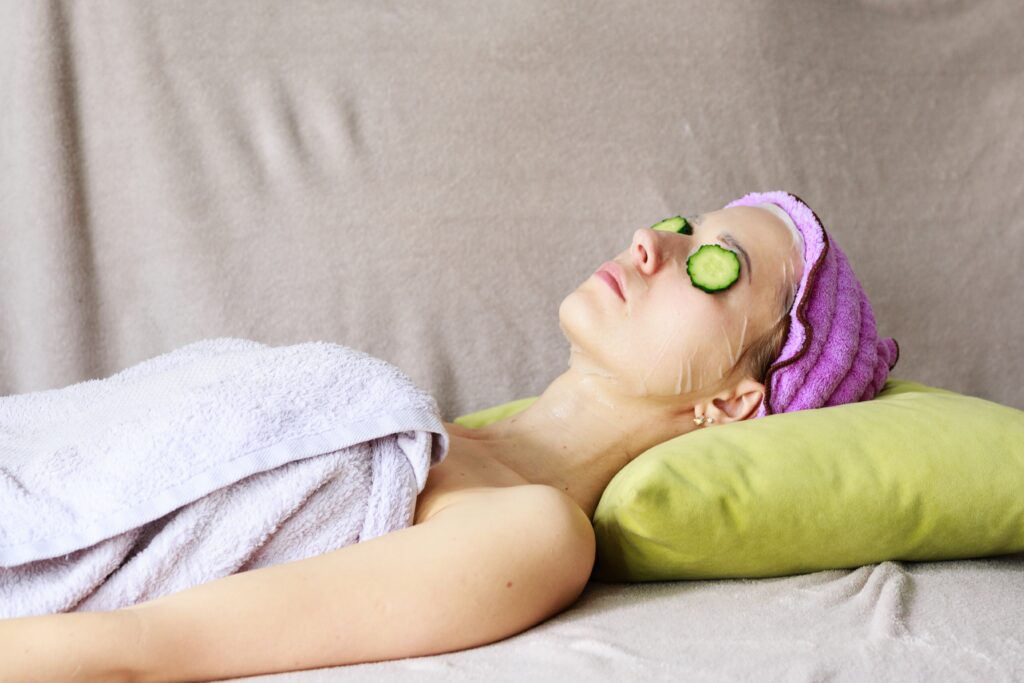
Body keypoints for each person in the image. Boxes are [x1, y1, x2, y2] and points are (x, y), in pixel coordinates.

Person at [0, 190, 898, 682]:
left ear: (739, 403)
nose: (649, 243)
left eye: (716, 265)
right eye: (680, 225)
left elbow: (147, 646)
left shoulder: (534, 531)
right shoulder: (436, 431)